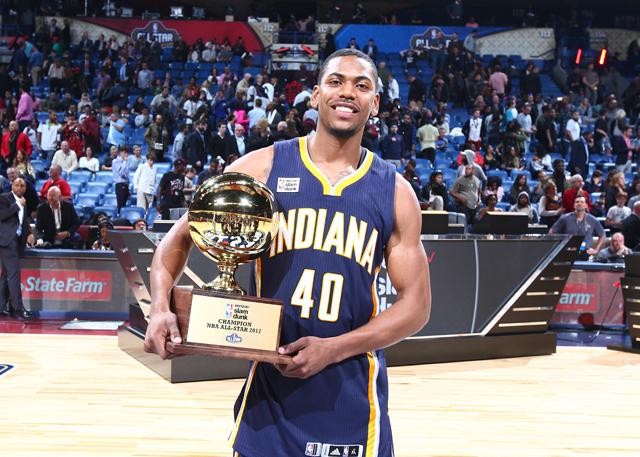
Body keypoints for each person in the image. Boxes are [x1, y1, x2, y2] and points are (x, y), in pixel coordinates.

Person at [143, 49, 431, 457]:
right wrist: (159, 307)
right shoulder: (263, 168)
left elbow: (417, 306)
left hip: (350, 399)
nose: (347, 92)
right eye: (336, 82)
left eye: (361, 85)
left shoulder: (394, 191)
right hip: (268, 401)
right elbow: (179, 238)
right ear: (315, 95)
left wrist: (334, 348)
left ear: (376, 104)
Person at [0, 178, 34, 319]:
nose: (20, 188)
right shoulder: (4, 198)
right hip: (7, 241)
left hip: (17, 241)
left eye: (22, 186)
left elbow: (22, 221)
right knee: (14, 275)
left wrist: (30, 233)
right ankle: (17, 309)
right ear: (12, 186)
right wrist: (18, 204)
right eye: (17, 185)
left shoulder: (24, 201)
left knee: (6, 276)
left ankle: (1, 307)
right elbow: (2, 215)